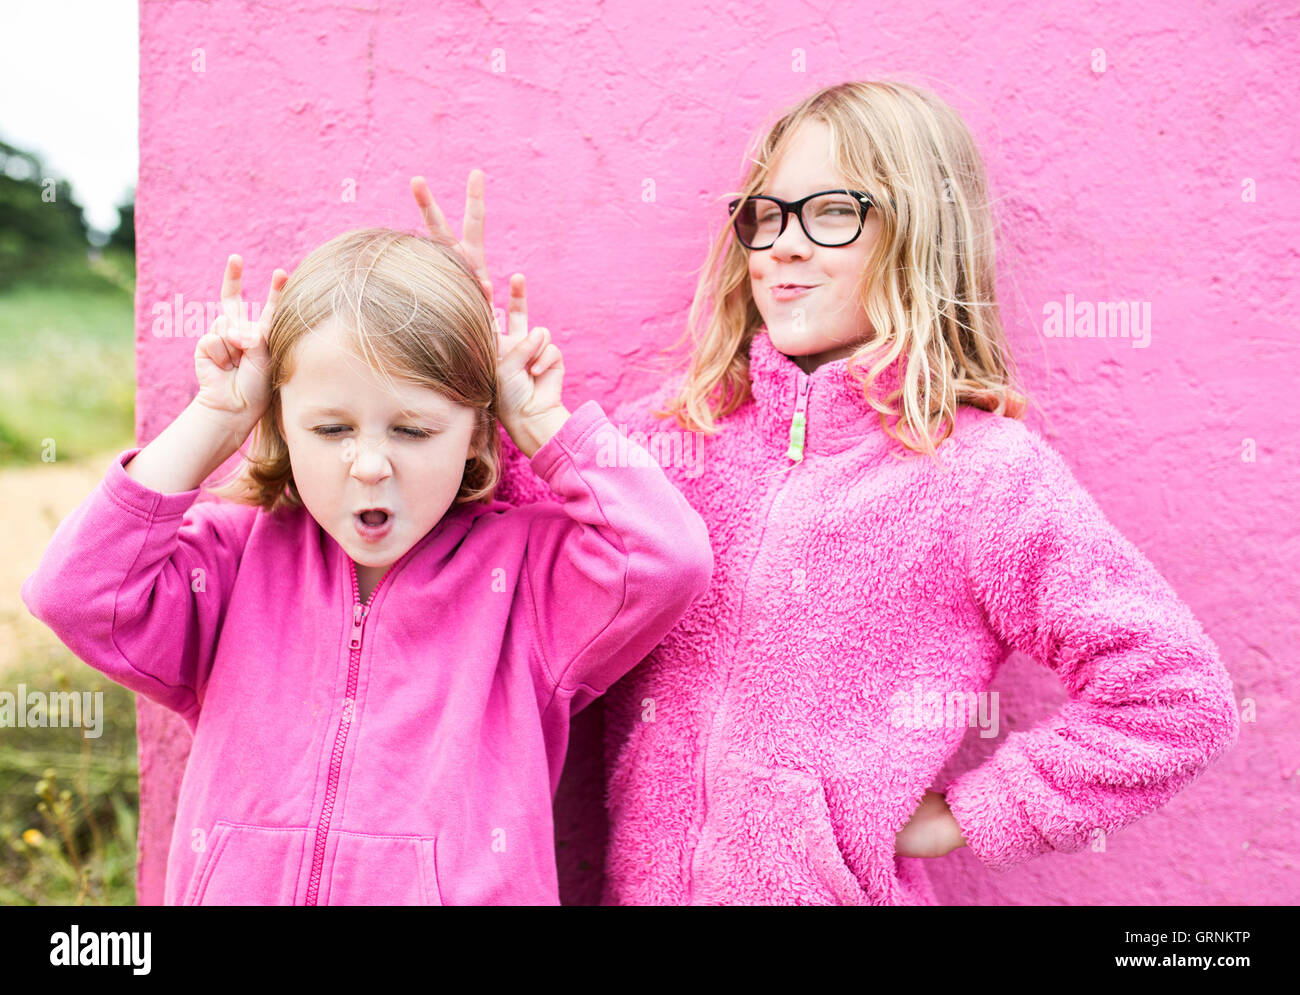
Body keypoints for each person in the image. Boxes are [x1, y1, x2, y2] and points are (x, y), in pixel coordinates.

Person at [411, 79, 1240, 906]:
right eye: (766, 216)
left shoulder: (982, 477)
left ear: (920, 231)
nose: (783, 246)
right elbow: (511, 542)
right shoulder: (675, 440)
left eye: (832, 212)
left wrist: (964, 814)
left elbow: (1175, 696)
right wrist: (468, 384)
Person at [20, 228, 714, 905]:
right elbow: (76, 592)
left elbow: (665, 557)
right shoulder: (231, 561)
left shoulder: (525, 580)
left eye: (412, 430)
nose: (371, 464)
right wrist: (217, 417)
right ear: (281, 420)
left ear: (476, 428)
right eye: (331, 429)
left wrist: (537, 419)